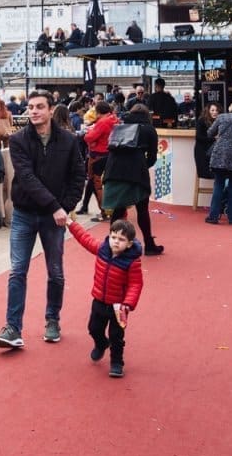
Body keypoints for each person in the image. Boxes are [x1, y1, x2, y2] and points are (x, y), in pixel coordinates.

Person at [0, 90, 85, 350]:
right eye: (31, 107)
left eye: (39, 107)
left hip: (53, 219)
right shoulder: (18, 140)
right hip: (24, 213)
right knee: (18, 270)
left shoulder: (68, 141)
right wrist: (56, 206)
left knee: (55, 272)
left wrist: (65, 207)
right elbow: (26, 178)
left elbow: (78, 176)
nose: (33, 111)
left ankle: (52, 320)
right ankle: (13, 327)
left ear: (51, 109)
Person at [67, 218, 144, 379]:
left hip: (119, 307)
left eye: (121, 239)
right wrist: (71, 223)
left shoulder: (132, 262)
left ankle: (117, 363)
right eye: (113, 237)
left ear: (129, 244)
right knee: (94, 328)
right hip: (99, 300)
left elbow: (136, 284)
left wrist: (128, 303)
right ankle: (101, 343)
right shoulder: (102, 249)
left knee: (117, 336)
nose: (116, 242)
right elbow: (85, 238)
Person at [101, 104, 162, 255]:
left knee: (118, 210)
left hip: (113, 171)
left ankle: (112, 245)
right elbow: (152, 158)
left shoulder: (120, 125)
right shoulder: (149, 129)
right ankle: (149, 244)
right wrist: (141, 166)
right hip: (136, 174)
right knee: (142, 210)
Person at [78, 100, 118, 219]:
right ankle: (85, 206)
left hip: (97, 155)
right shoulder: (114, 119)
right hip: (109, 154)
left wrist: (88, 132)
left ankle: (104, 211)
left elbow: (89, 138)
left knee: (96, 183)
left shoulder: (102, 122)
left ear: (98, 111)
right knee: (93, 181)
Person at [194, 102, 220, 183]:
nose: (215, 112)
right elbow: (198, 137)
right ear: (208, 111)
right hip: (203, 152)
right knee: (220, 173)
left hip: (214, 152)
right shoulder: (202, 121)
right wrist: (214, 139)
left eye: (217, 110)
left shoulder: (219, 121)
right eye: (212, 110)